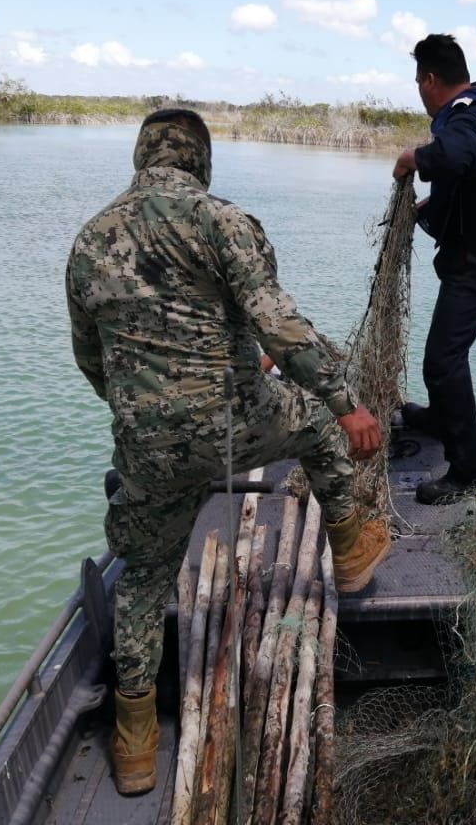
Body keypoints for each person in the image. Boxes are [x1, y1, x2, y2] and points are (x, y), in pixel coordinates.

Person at [65, 107, 391, 796]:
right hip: (234, 425)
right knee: (316, 423)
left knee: (144, 579)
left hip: (147, 446)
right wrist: (347, 404)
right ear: (201, 162)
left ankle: (134, 747)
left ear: (141, 157)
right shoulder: (224, 222)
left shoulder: (90, 238)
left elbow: (92, 359)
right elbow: (279, 327)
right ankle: (350, 552)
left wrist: (150, 418)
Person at [391, 33, 476, 505]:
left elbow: (453, 156)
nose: (419, 93)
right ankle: (444, 419)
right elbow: (472, 180)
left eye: (417, 83)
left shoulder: (466, 115)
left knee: (443, 359)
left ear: (429, 80)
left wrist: (413, 158)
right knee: (443, 352)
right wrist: (430, 207)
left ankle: (470, 470)